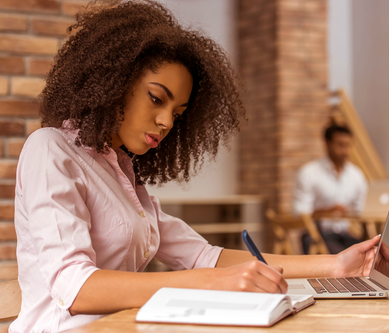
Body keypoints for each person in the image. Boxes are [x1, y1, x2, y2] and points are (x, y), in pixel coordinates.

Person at [10, 1, 380, 332]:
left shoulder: (124, 175)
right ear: (114, 82)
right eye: (156, 98)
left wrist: (335, 265)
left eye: (177, 113)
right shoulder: (51, 151)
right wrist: (209, 283)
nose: (166, 122)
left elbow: (205, 256)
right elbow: (75, 287)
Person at [294, 124, 368, 254]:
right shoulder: (309, 173)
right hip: (316, 236)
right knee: (347, 257)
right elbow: (299, 213)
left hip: (345, 235)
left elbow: (361, 209)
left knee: (374, 252)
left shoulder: (357, 175)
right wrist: (328, 211)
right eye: (340, 145)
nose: (345, 150)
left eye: (348, 145)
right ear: (327, 144)